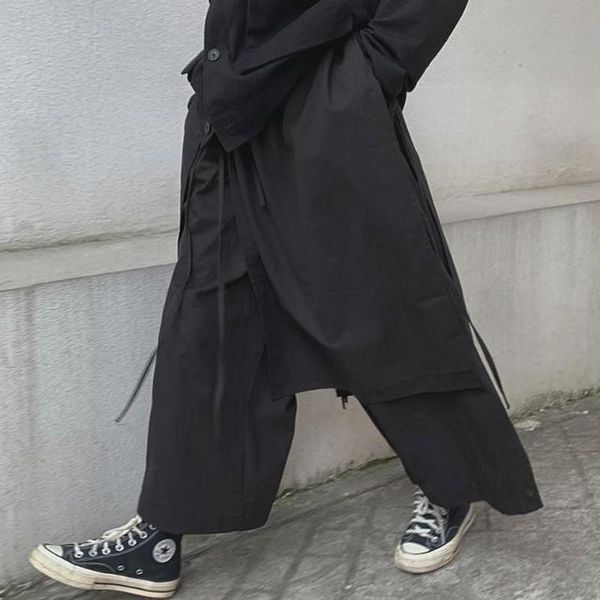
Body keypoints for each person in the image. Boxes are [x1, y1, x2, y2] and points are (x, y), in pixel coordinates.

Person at [29, 0, 543, 596]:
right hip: (231, 115)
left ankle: (452, 486)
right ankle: (160, 535)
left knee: (381, 308)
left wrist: (371, 70)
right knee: (210, 319)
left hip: (324, 110)